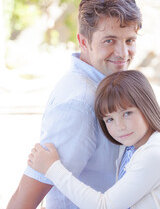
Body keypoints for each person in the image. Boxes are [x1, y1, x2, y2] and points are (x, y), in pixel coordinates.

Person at [6, 0, 142, 209]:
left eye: (129, 40)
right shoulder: (79, 102)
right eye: (109, 40)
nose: (123, 53)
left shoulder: (110, 87)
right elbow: (26, 199)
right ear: (83, 41)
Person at [28, 70, 160, 209]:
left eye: (127, 113)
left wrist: (52, 168)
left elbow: (104, 206)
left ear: (146, 106)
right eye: (110, 119)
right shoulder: (130, 148)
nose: (119, 126)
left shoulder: (152, 154)